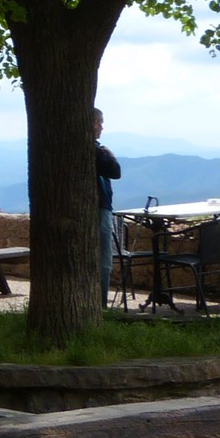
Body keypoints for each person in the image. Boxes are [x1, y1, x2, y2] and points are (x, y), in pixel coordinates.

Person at [94, 108, 121, 302]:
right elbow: (115, 171)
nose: (102, 127)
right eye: (99, 123)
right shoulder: (96, 151)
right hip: (101, 207)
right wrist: (109, 153)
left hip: (100, 206)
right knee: (104, 258)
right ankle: (101, 302)